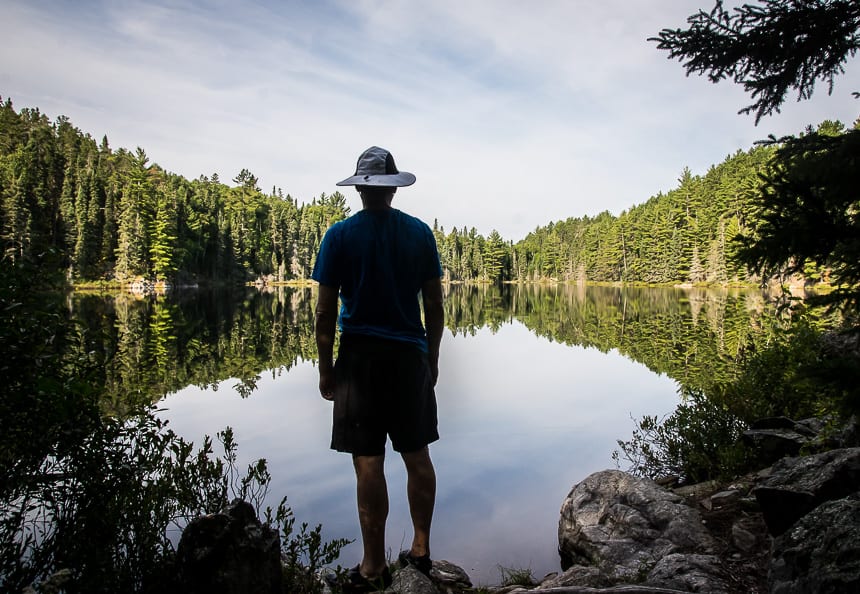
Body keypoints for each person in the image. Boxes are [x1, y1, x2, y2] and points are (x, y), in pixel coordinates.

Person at [312, 146, 444, 593]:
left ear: (361, 189)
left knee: (368, 464)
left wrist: (326, 369)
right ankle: (421, 551)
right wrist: (433, 358)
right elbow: (435, 307)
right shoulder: (419, 234)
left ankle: (372, 568)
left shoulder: (339, 236)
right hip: (409, 360)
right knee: (417, 455)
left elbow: (325, 314)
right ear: (389, 188)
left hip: (360, 362)